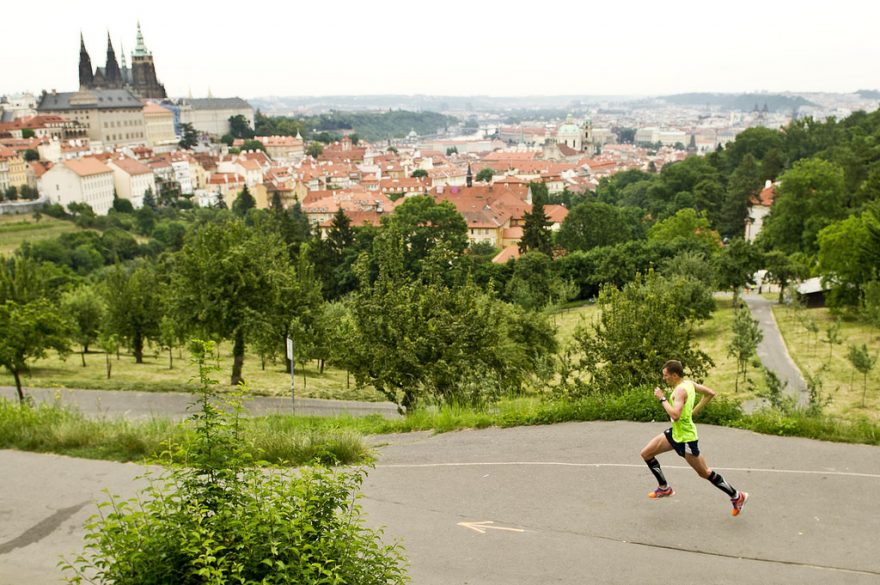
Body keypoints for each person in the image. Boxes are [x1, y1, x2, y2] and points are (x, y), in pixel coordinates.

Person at [639, 359, 749, 516]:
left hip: (686, 439)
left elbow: (675, 415)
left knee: (704, 472)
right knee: (646, 453)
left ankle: (737, 496)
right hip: (675, 434)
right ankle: (664, 488)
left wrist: (662, 398)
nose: (664, 378)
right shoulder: (689, 384)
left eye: (666, 375)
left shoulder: (679, 391)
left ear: (675, 375)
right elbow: (710, 393)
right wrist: (694, 412)